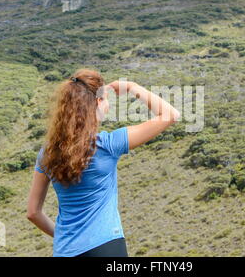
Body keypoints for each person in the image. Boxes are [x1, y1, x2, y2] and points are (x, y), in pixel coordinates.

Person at [26, 68, 180, 257]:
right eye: (106, 99)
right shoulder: (107, 144)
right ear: (98, 102)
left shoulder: (47, 153)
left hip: (65, 251)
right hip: (106, 246)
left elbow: (33, 213)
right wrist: (131, 87)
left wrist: (63, 236)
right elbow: (170, 115)